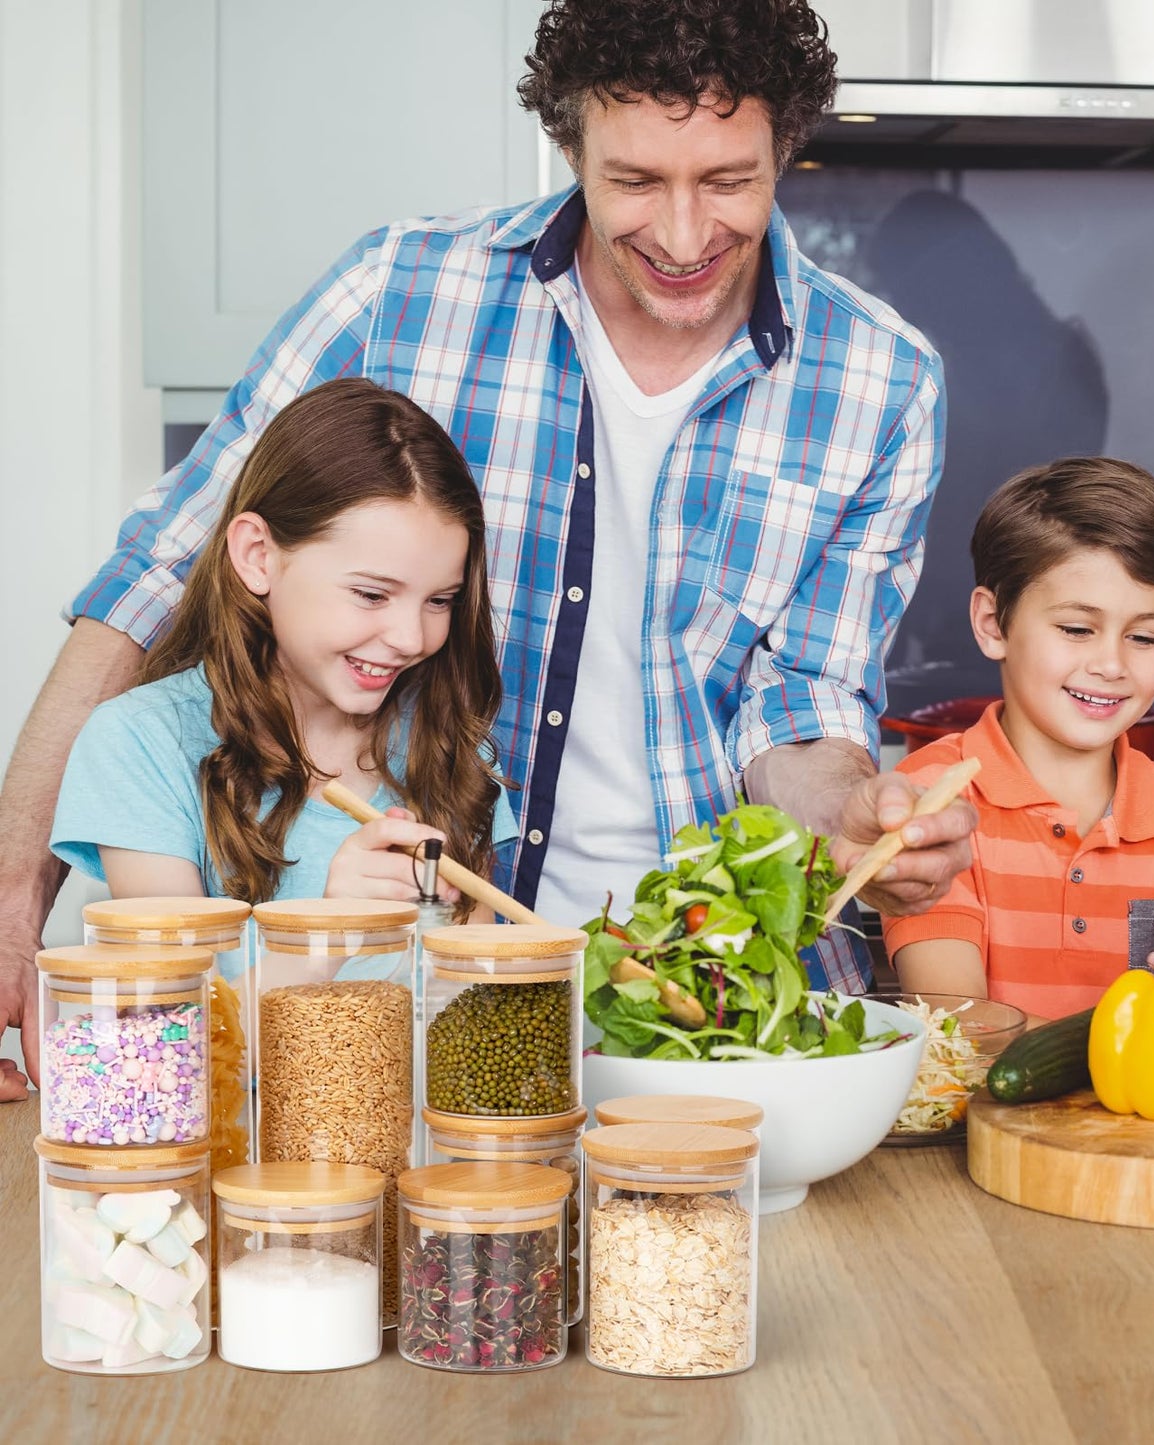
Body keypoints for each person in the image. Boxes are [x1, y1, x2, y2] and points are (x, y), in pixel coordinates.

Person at [0, 0, 974, 1100]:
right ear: (568, 144)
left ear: (785, 147)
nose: (686, 233)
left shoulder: (882, 383)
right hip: (454, 999)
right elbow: (159, 571)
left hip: (712, 1008)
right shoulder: (404, 291)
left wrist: (849, 815)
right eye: (636, 181)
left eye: (729, 181)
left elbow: (800, 695)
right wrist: (11, 888)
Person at [49, 378, 515, 910]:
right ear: (256, 555)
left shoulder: (447, 747)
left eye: (440, 601)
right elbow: (174, 996)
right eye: (370, 594)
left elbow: (466, 988)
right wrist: (331, 927)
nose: (411, 639)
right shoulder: (140, 744)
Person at [881, 458, 1154, 1023]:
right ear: (993, 624)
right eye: (1077, 628)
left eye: (1145, 636)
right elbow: (961, 1030)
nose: (1111, 664)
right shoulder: (930, 800)